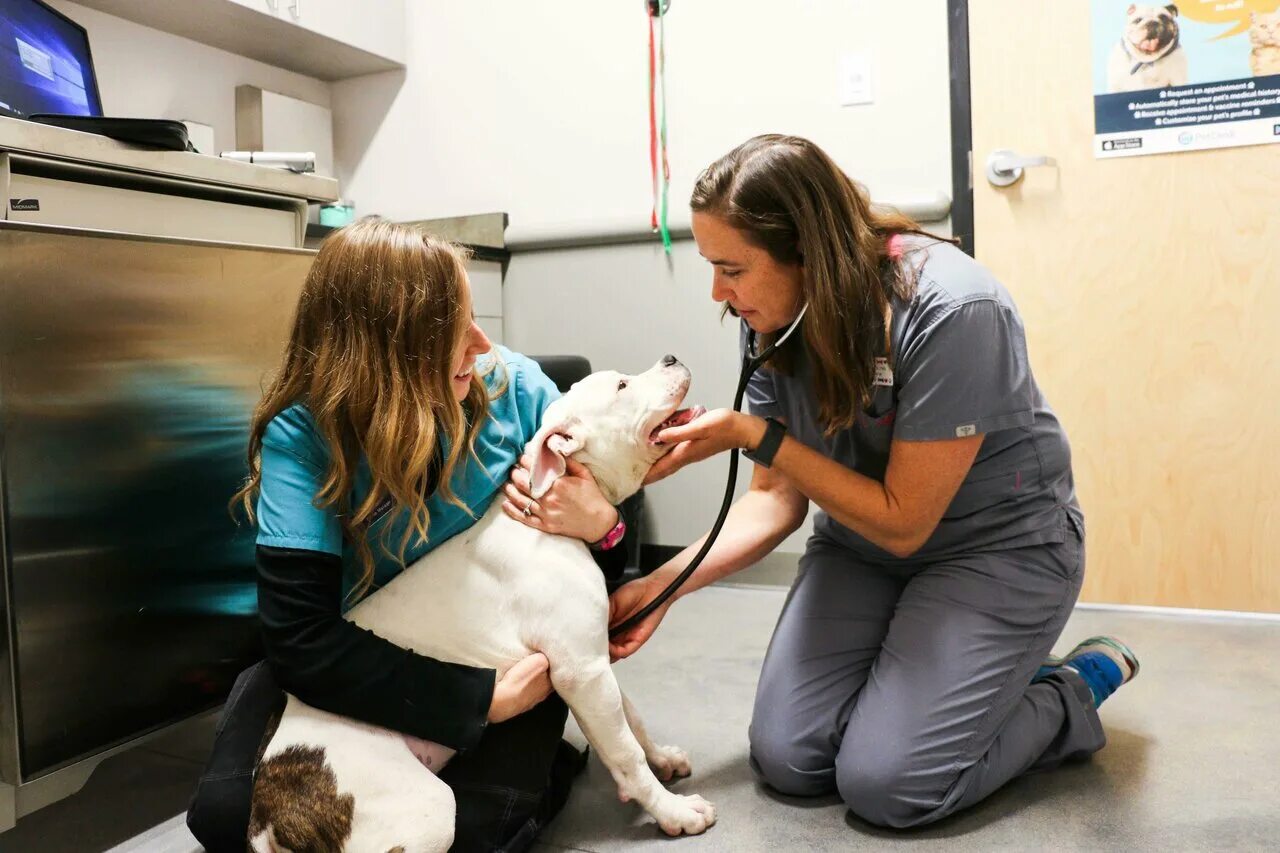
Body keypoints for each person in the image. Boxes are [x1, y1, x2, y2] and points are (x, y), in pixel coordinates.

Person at [570, 135, 1139, 829]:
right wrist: (661, 587)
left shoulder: (954, 309)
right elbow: (773, 500)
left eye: (732, 269)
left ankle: (1068, 688)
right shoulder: (774, 318)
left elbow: (904, 521)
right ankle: (949, 689)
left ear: (808, 252)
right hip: (862, 548)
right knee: (789, 758)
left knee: (890, 784)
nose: (719, 292)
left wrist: (755, 435)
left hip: (996, 549)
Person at [194, 217, 627, 853]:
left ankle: (545, 764)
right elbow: (302, 639)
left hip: (494, 650)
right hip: (354, 663)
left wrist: (605, 528)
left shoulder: (515, 392)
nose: (482, 343)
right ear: (387, 351)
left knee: (469, 834)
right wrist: (477, 702)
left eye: (476, 318)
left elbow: (592, 579)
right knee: (225, 819)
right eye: (455, 330)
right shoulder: (305, 436)